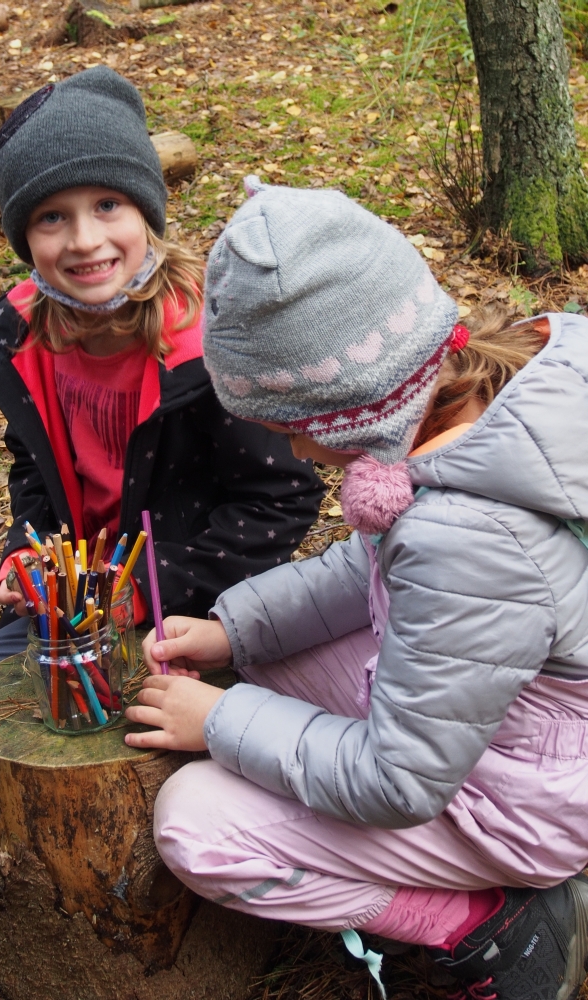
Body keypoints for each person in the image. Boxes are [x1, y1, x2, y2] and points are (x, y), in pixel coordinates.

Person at [125, 179, 588, 1000]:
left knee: (196, 825)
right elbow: (366, 568)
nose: (296, 454)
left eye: (290, 428)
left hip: (536, 802)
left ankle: (487, 922)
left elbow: (397, 781)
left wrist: (221, 721)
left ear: (348, 411)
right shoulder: (482, 401)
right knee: (264, 670)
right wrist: (236, 630)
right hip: (516, 721)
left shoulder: (466, 538)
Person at [0, 78, 323, 823]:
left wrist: (150, 585)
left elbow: (279, 499)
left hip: (190, 611)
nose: (86, 241)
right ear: (23, 236)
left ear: (146, 212)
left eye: (108, 206)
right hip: (73, 607)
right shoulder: (25, 340)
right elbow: (33, 472)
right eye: (52, 217)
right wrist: (25, 553)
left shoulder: (211, 344)